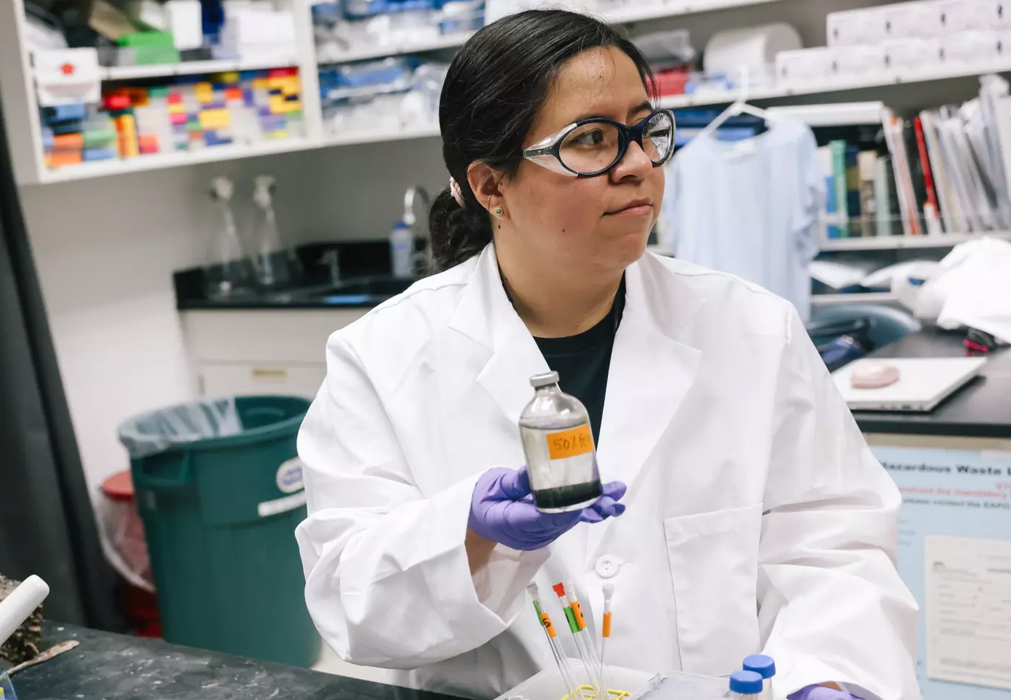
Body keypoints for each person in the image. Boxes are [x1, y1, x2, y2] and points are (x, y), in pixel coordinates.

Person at [293, 10, 918, 700]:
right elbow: (352, 603)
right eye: (591, 140)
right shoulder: (382, 359)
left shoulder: (753, 331)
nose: (640, 165)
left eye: (646, 130)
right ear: (491, 186)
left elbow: (833, 551)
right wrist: (466, 534)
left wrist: (827, 677)